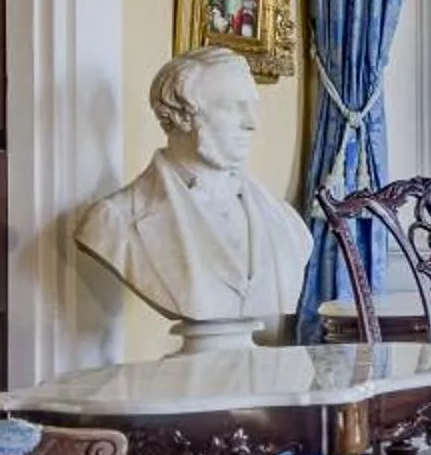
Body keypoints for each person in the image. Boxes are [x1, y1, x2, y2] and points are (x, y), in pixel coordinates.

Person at [74, 46, 309, 327]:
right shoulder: (113, 221)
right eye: (233, 107)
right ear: (183, 116)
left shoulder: (287, 224)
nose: (252, 123)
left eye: (251, 106)